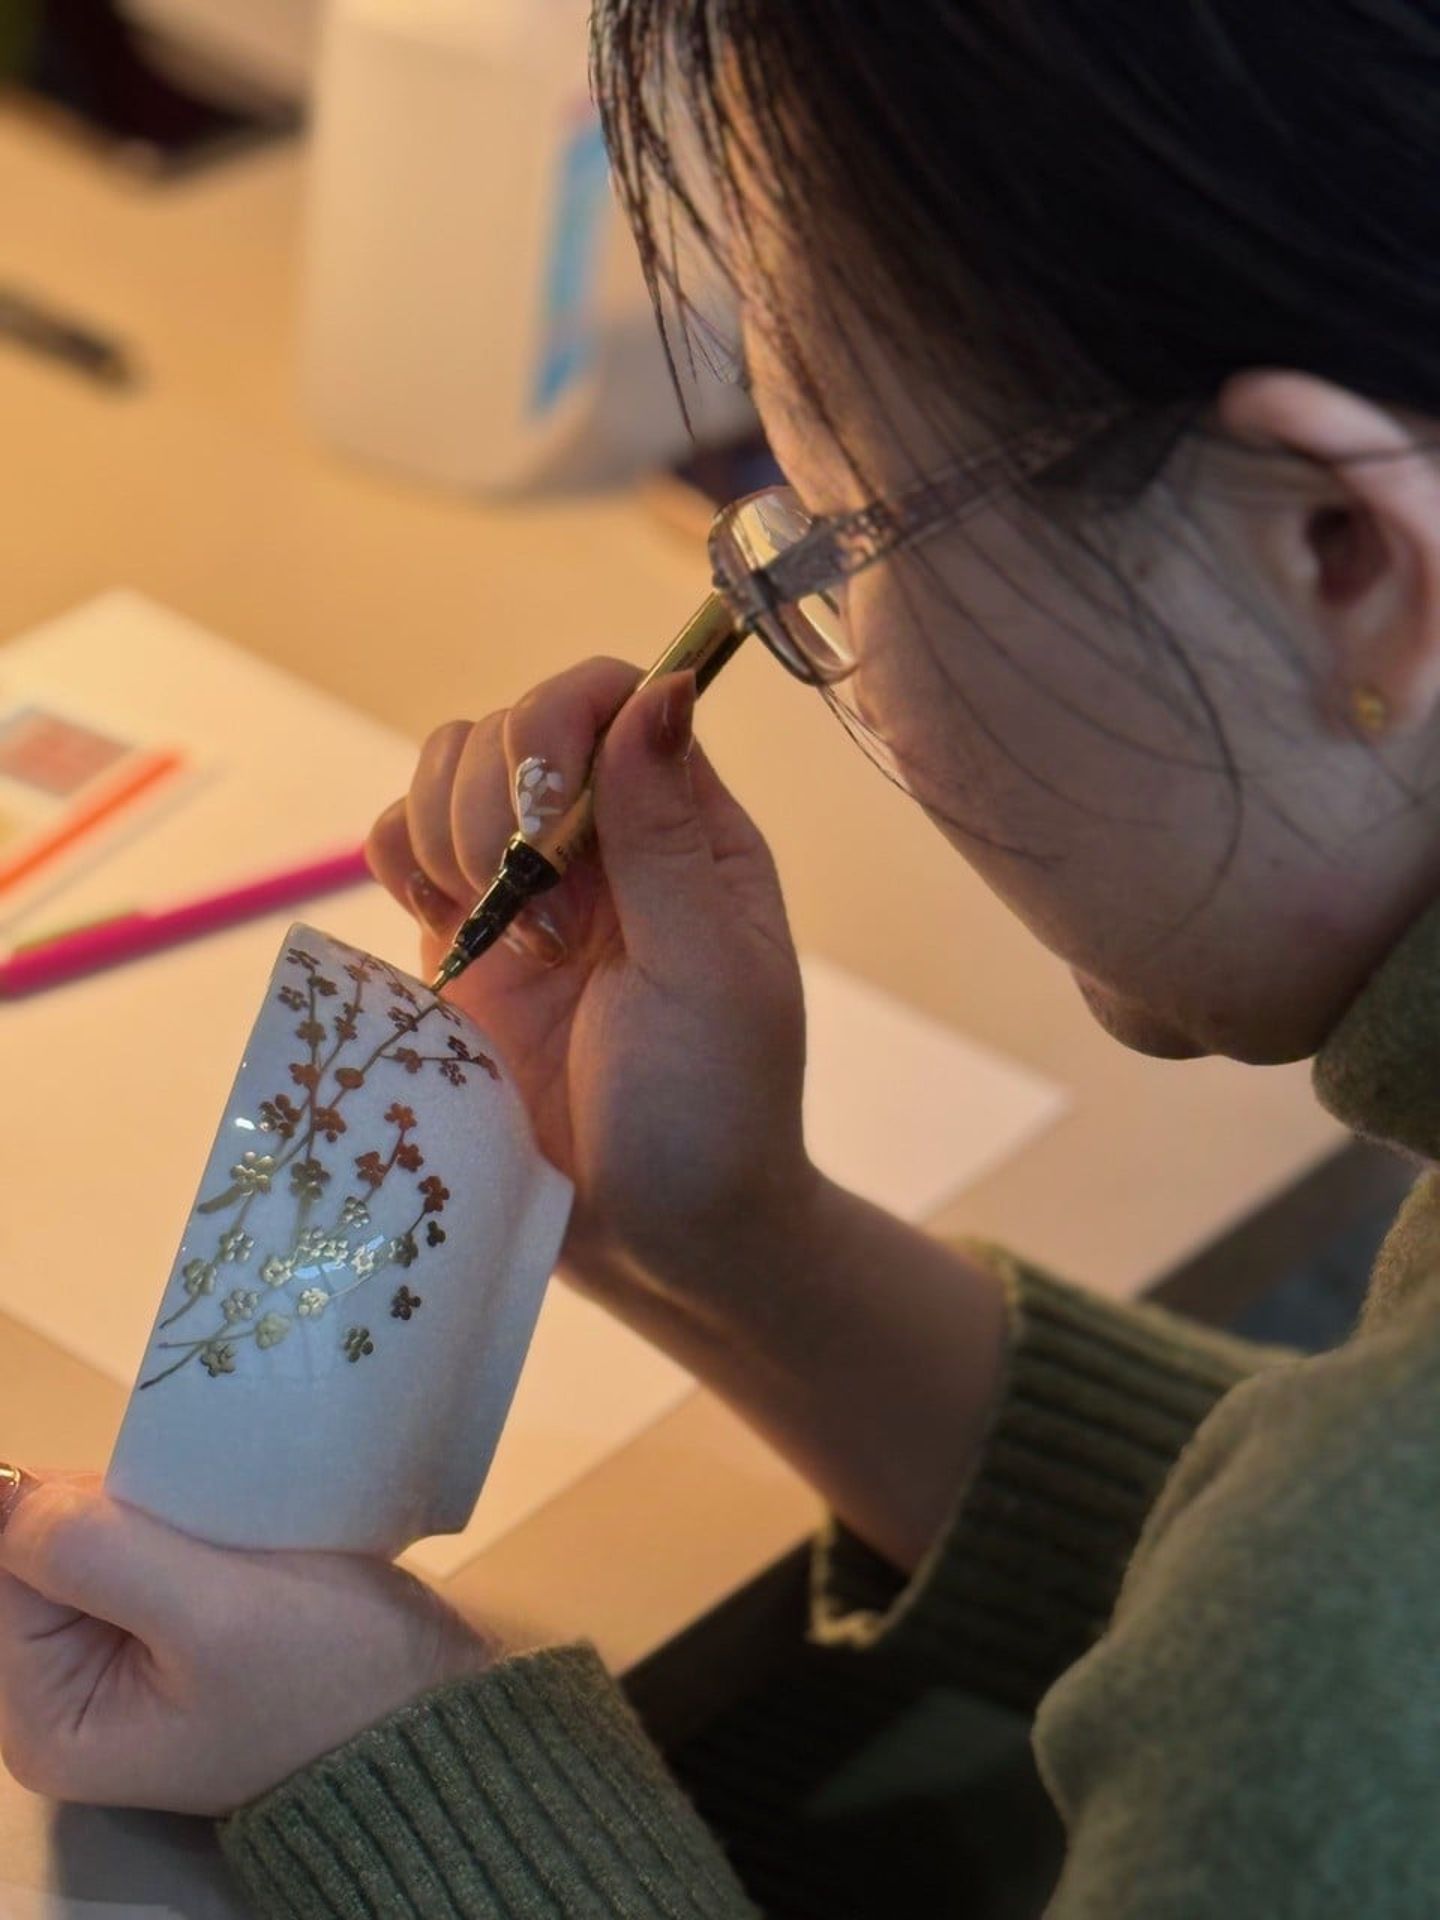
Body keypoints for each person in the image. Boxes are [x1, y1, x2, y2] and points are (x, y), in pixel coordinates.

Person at [5, 2, 1440, 1912]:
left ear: (1341, 552)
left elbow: (1345, 1652)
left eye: (839, 537)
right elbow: (1301, 1597)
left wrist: (398, 1762)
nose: (835, 641)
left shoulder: (1352, 1625)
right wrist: (728, 1232)